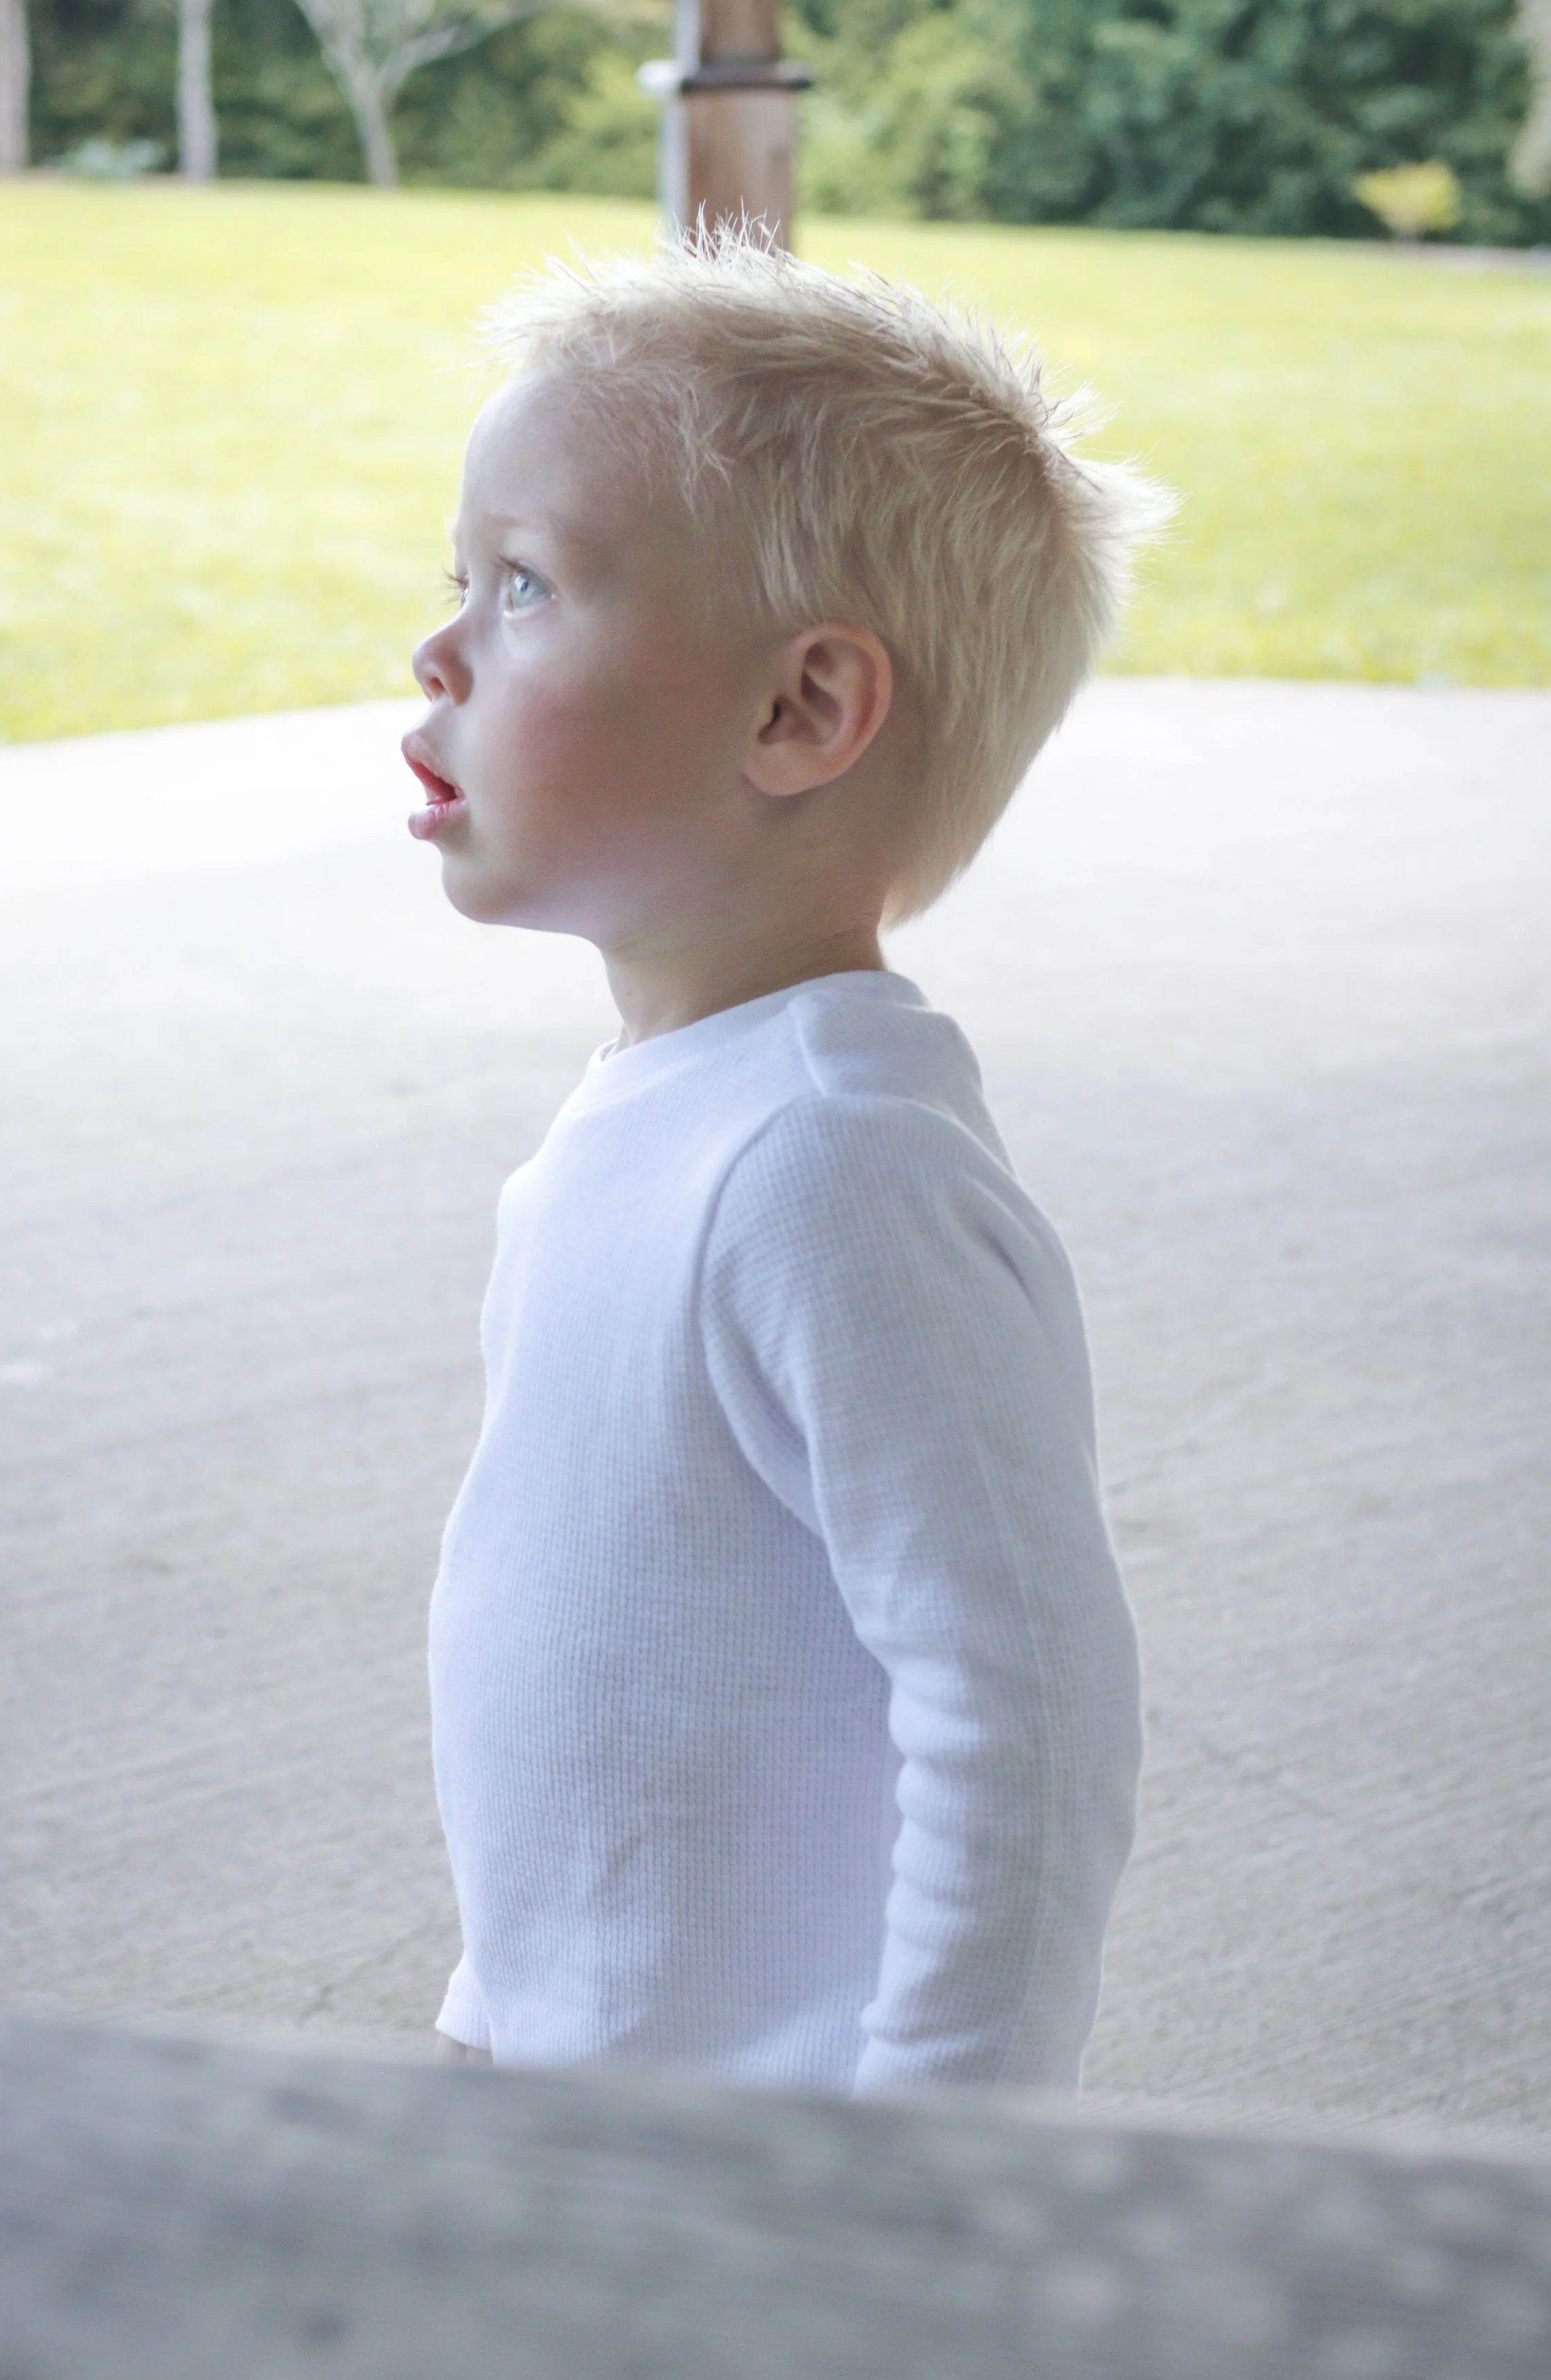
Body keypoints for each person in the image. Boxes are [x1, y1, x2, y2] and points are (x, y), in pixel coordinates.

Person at [404, 233, 1170, 2095]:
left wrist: (917, 2162)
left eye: (526, 584)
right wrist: (498, 2005)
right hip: (595, 2099)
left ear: (799, 711)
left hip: (779, 2150)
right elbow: (586, 1640)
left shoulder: (834, 1172)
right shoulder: (652, 1113)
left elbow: (1025, 1709)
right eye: (456, 580)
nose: (436, 650)